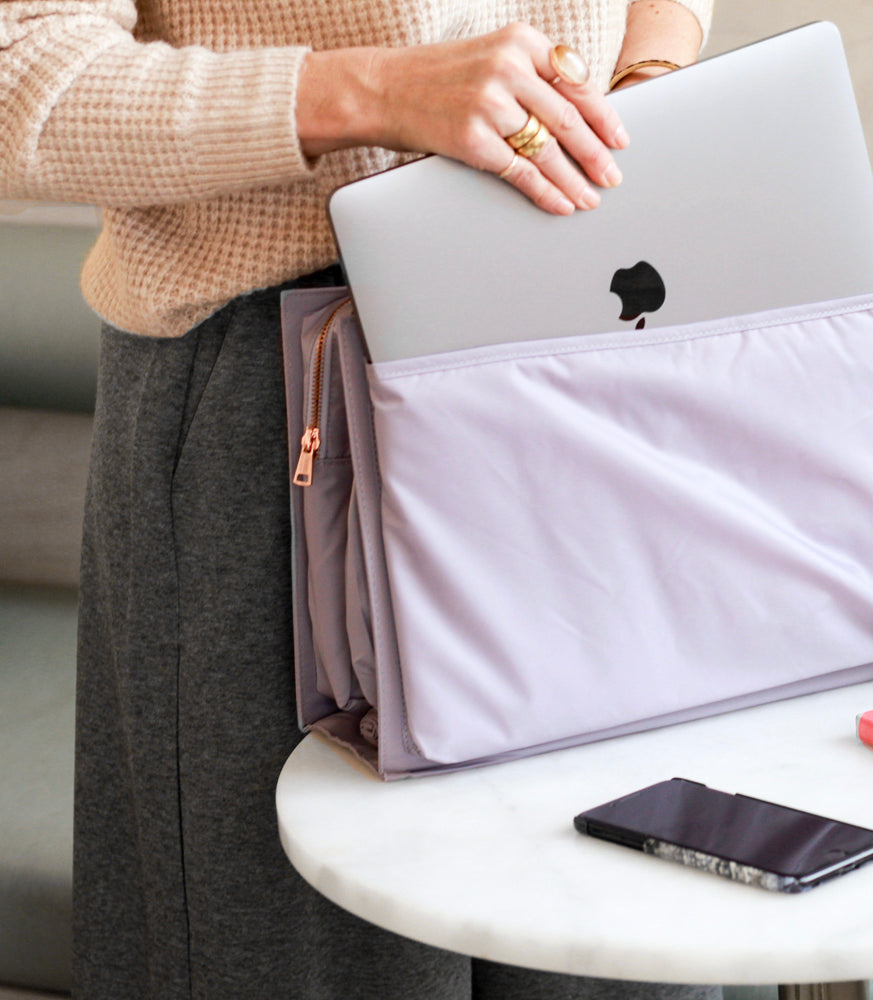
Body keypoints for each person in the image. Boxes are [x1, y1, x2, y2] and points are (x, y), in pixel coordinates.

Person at [0, 2, 720, 998]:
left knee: (620, 938)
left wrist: (651, 74)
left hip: (581, 322)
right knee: (324, 958)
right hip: (282, 403)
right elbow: (17, 80)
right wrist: (379, 92)